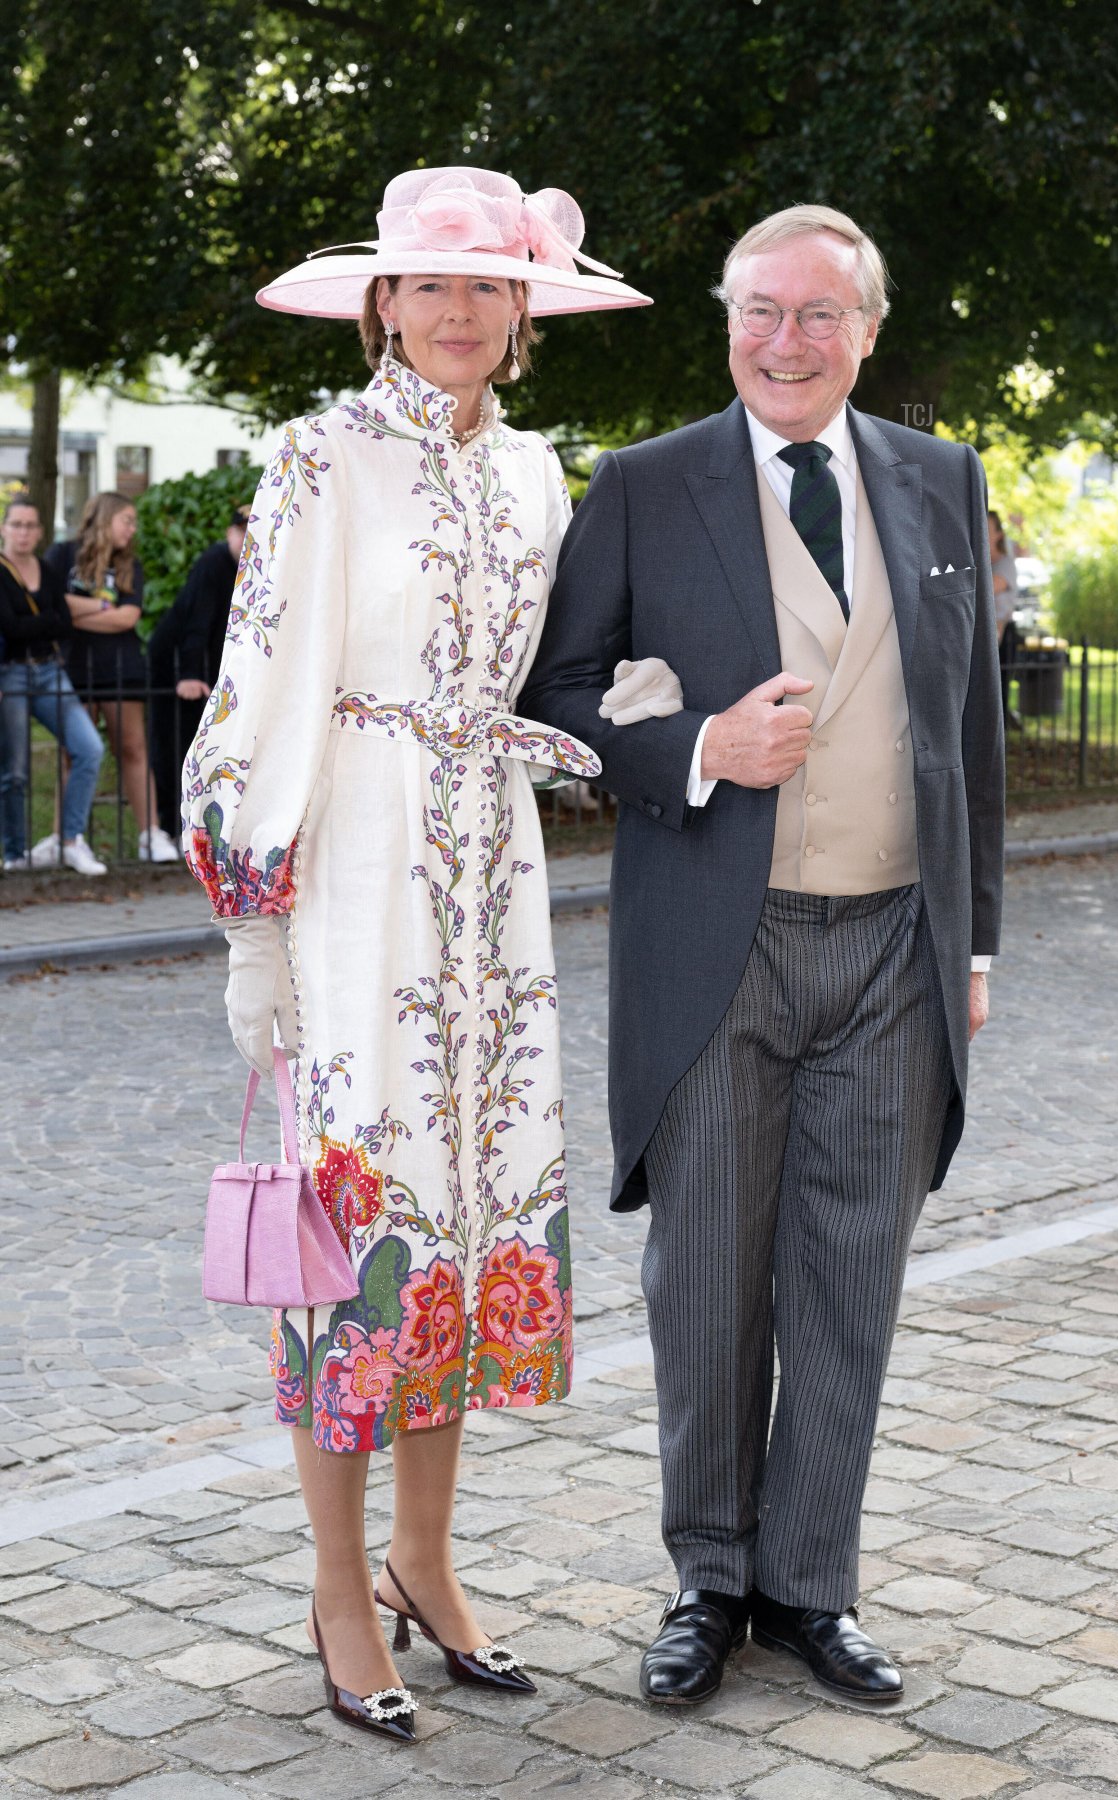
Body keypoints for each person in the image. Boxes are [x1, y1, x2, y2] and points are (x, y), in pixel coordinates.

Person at [181, 166, 651, 1741]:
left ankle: (427, 1564)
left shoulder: (535, 475)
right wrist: (259, 931)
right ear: (383, 303)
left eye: (487, 288)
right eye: (429, 285)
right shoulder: (320, 460)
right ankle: (334, 1589)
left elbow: (522, 685)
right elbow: (263, 695)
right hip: (358, 880)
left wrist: (617, 728)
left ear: (525, 314)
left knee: (460, 1231)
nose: (459, 312)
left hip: (490, 888)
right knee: (356, 1240)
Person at [520, 202, 1005, 1707]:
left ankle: (810, 1587)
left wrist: (975, 942)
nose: (784, 342)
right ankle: (708, 1577)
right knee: (710, 1281)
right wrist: (698, 746)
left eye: (816, 315)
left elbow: (971, 730)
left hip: (893, 950)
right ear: (725, 319)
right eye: (757, 311)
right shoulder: (646, 485)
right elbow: (558, 692)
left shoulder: (939, 480)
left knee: (852, 1276)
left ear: (868, 327)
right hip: (718, 949)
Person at [44, 493, 179, 863]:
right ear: (105, 518)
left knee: (133, 748)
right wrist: (105, 606)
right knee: (75, 754)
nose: (132, 528)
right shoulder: (62, 555)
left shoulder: (128, 564)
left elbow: (128, 618)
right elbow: (55, 606)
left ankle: (150, 834)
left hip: (122, 668)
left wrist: (80, 613)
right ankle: (65, 838)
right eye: (127, 520)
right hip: (75, 667)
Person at [0, 496, 106, 875]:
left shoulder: (46, 569)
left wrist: (37, 623)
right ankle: (14, 853)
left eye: (31, 525)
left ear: (41, 530)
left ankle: (70, 839)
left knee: (89, 748)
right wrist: (45, 621)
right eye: (17, 525)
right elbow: (11, 629)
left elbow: (62, 622)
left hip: (48, 671)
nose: (24, 532)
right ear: (4, 528)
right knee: (13, 770)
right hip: (9, 673)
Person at [148, 504, 250, 833]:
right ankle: (173, 824)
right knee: (176, 744)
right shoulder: (214, 563)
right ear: (230, 533)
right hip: (178, 666)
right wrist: (189, 674)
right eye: (242, 530)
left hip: (208, 668)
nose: (248, 537)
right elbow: (198, 622)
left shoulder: (255, 569)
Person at [989, 508, 1021, 730]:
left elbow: (987, 588)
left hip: (1003, 637)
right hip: (985, 635)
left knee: (998, 691)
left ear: (998, 534)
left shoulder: (1005, 564)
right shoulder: (984, 564)